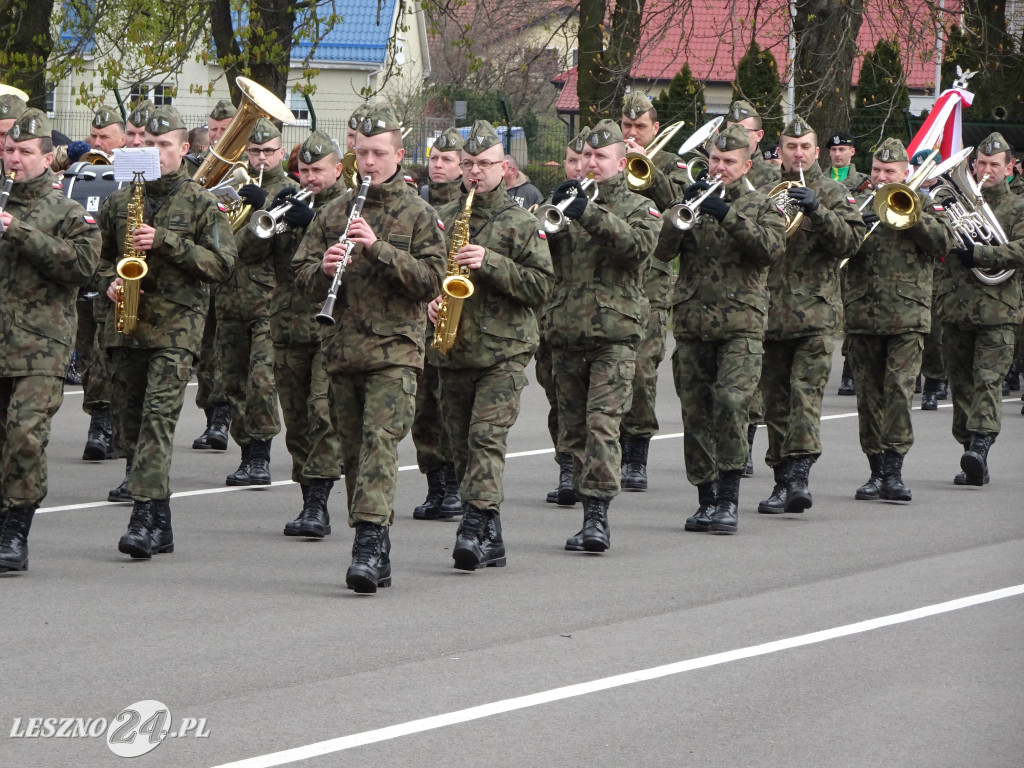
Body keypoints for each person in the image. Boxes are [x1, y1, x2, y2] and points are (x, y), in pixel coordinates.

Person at [293, 103, 446, 593]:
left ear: (400, 154)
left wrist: (378, 248)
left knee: (381, 445)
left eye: (379, 154)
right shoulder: (332, 213)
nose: (370, 163)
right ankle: (374, 542)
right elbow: (298, 278)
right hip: (342, 349)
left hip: (395, 352)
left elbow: (431, 281)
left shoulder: (420, 214)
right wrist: (321, 268)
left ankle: (367, 544)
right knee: (354, 453)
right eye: (362, 153)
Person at [99, 106, 236, 559]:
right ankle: (161, 520)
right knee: (130, 424)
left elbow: (221, 265)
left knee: (158, 420)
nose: (153, 152)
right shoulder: (120, 202)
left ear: (183, 149)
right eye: (146, 144)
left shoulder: (202, 201)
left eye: (163, 145)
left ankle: (141, 518)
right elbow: (96, 260)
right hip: (126, 326)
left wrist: (165, 241)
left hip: (176, 328)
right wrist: (109, 281)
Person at [426, 120, 553, 570]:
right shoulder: (441, 220)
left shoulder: (522, 221)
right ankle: (492, 536)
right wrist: (431, 304)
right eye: (468, 164)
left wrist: (492, 262)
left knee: (485, 438)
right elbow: (427, 278)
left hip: (504, 350)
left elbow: (541, 287)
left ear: (504, 167)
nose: (474, 172)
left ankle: (473, 526)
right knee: (459, 445)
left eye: (484, 164)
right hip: (454, 347)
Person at [653, 124, 784, 534]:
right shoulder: (690, 199)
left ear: (746, 164)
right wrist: (678, 216)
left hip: (741, 325)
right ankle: (706, 498)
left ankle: (728, 497)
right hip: (692, 322)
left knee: (730, 402)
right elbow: (661, 252)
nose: (720, 167)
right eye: (714, 159)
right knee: (695, 413)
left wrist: (727, 215)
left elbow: (769, 251)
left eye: (729, 161)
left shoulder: (762, 204)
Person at [545, 119, 661, 553]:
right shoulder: (568, 199)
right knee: (572, 428)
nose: (591, 164)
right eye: (586, 157)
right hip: (566, 332)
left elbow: (636, 250)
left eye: (600, 157)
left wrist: (589, 214)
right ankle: (581, 499)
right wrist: (551, 223)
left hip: (615, 335)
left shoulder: (638, 206)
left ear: (620, 162)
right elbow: (543, 258)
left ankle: (597, 517)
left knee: (602, 424)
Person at [0, 109, 102, 572]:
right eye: (9, 150)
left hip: (41, 347)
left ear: (46, 158)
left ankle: (16, 531)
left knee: (24, 436)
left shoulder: (68, 211)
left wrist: (17, 231)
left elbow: (80, 267)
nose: (14, 160)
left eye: (24, 152)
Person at [758, 116, 865, 514]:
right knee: (775, 403)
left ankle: (799, 477)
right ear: (780, 150)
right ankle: (780, 480)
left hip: (815, 315)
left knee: (804, 399)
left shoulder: (834, 191)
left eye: (805, 147)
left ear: (816, 152)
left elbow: (851, 242)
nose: (797, 154)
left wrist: (818, 211)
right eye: (790, 147)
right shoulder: (765, 190)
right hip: (768, 313)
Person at [845, 138, 949, 502]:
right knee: (868, 397)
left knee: (899, 393)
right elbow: (837, 249)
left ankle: (894, 470)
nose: (881, 176)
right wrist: (859, 223)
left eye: (889, 171)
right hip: (862, 314)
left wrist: (911, 219)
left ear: (905, 173)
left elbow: (942, 244)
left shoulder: (926, 203)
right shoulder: (855, 203)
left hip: (907, 317)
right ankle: (874, 470)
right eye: (876, 170)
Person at [261, 130, 346, 537]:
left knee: (322, 413)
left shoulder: (351, 206)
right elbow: (247, 255)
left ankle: (319, 504)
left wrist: (313, 222)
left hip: (331, 327)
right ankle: (307, 493)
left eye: (318, 171)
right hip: (287, 324)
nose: (310, 178)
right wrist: (267, 214)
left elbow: (356, 256)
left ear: (338, 169)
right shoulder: (291, 201)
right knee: (295, 419)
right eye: (304, 170)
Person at [936, 132, 1024, 485]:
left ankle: (980, 448)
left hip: (997, 312)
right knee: (961, 386)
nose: (986, 170)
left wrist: (983, 254)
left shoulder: (1018, 206)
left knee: (988, 382)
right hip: (956, 309)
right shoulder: (956, 201)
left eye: (994, 165)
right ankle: (971, 451)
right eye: (982, 164)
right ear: (972, 166)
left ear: (1010, 168)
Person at [616, 92, 687, 491]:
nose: (632, 133)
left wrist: (643, 166)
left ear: (655, 128)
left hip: (652, 282)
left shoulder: (670, 163)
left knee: (642, 371)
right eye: (627, 126)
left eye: (640, 127)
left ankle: (637, 455)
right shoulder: (606, 159)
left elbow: (676, 205)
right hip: (611, 279)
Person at [216, 118, 285, 487]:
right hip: (228, 298)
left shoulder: (289, 193)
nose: (261, 158)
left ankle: (260, 456)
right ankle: (246, 453)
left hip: (267, 303)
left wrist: (265, 211)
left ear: (281, 152)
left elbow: (258, 248)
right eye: (255, 151)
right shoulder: (231, 189)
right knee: (234, 382)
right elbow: (218, 241)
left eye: (268, 151)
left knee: (261, 380)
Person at [725, 99, 781, 475]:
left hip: (760, 290)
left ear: (759, 137)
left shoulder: (773, 180)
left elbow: (773, 243)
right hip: (714, 299)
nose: (735, 135)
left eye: (744, 130)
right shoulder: (711, 172)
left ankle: (744, 446)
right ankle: (732, 451)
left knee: (750, 383)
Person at [412, 126, 465, 520]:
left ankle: (458, 487)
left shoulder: (471, 206)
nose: (439, 165)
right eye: (434, 158)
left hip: (461, 321)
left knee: (454, 408)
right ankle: (436, 485)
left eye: (447, 159)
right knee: (425, 408)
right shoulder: (419, 205)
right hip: (423, 321)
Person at [540, 126, 590, 505]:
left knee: (599, 413)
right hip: (558, 322)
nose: (578, 168)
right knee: (562, 403)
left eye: (584, 160)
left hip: (606, 325)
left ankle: (592, 483)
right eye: (572, 161)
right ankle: (567, 470)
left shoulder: (613, 204)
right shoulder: (555, 201)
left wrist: (587, 212)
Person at [189, 98, 238, 451]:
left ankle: (225, 419)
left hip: (240, 281)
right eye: (215, 130)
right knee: (207, 353)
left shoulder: (247, 169)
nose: (219, 136)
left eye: (227, 130)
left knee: (229, 355)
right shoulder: (198, 169)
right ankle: (212, 418)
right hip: (204, 276)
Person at [725, 99, 781, 189]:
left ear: (759, 135)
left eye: (743, 131)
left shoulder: (776, 176)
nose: (734, 136)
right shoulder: (716, 172)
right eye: (729, 131)